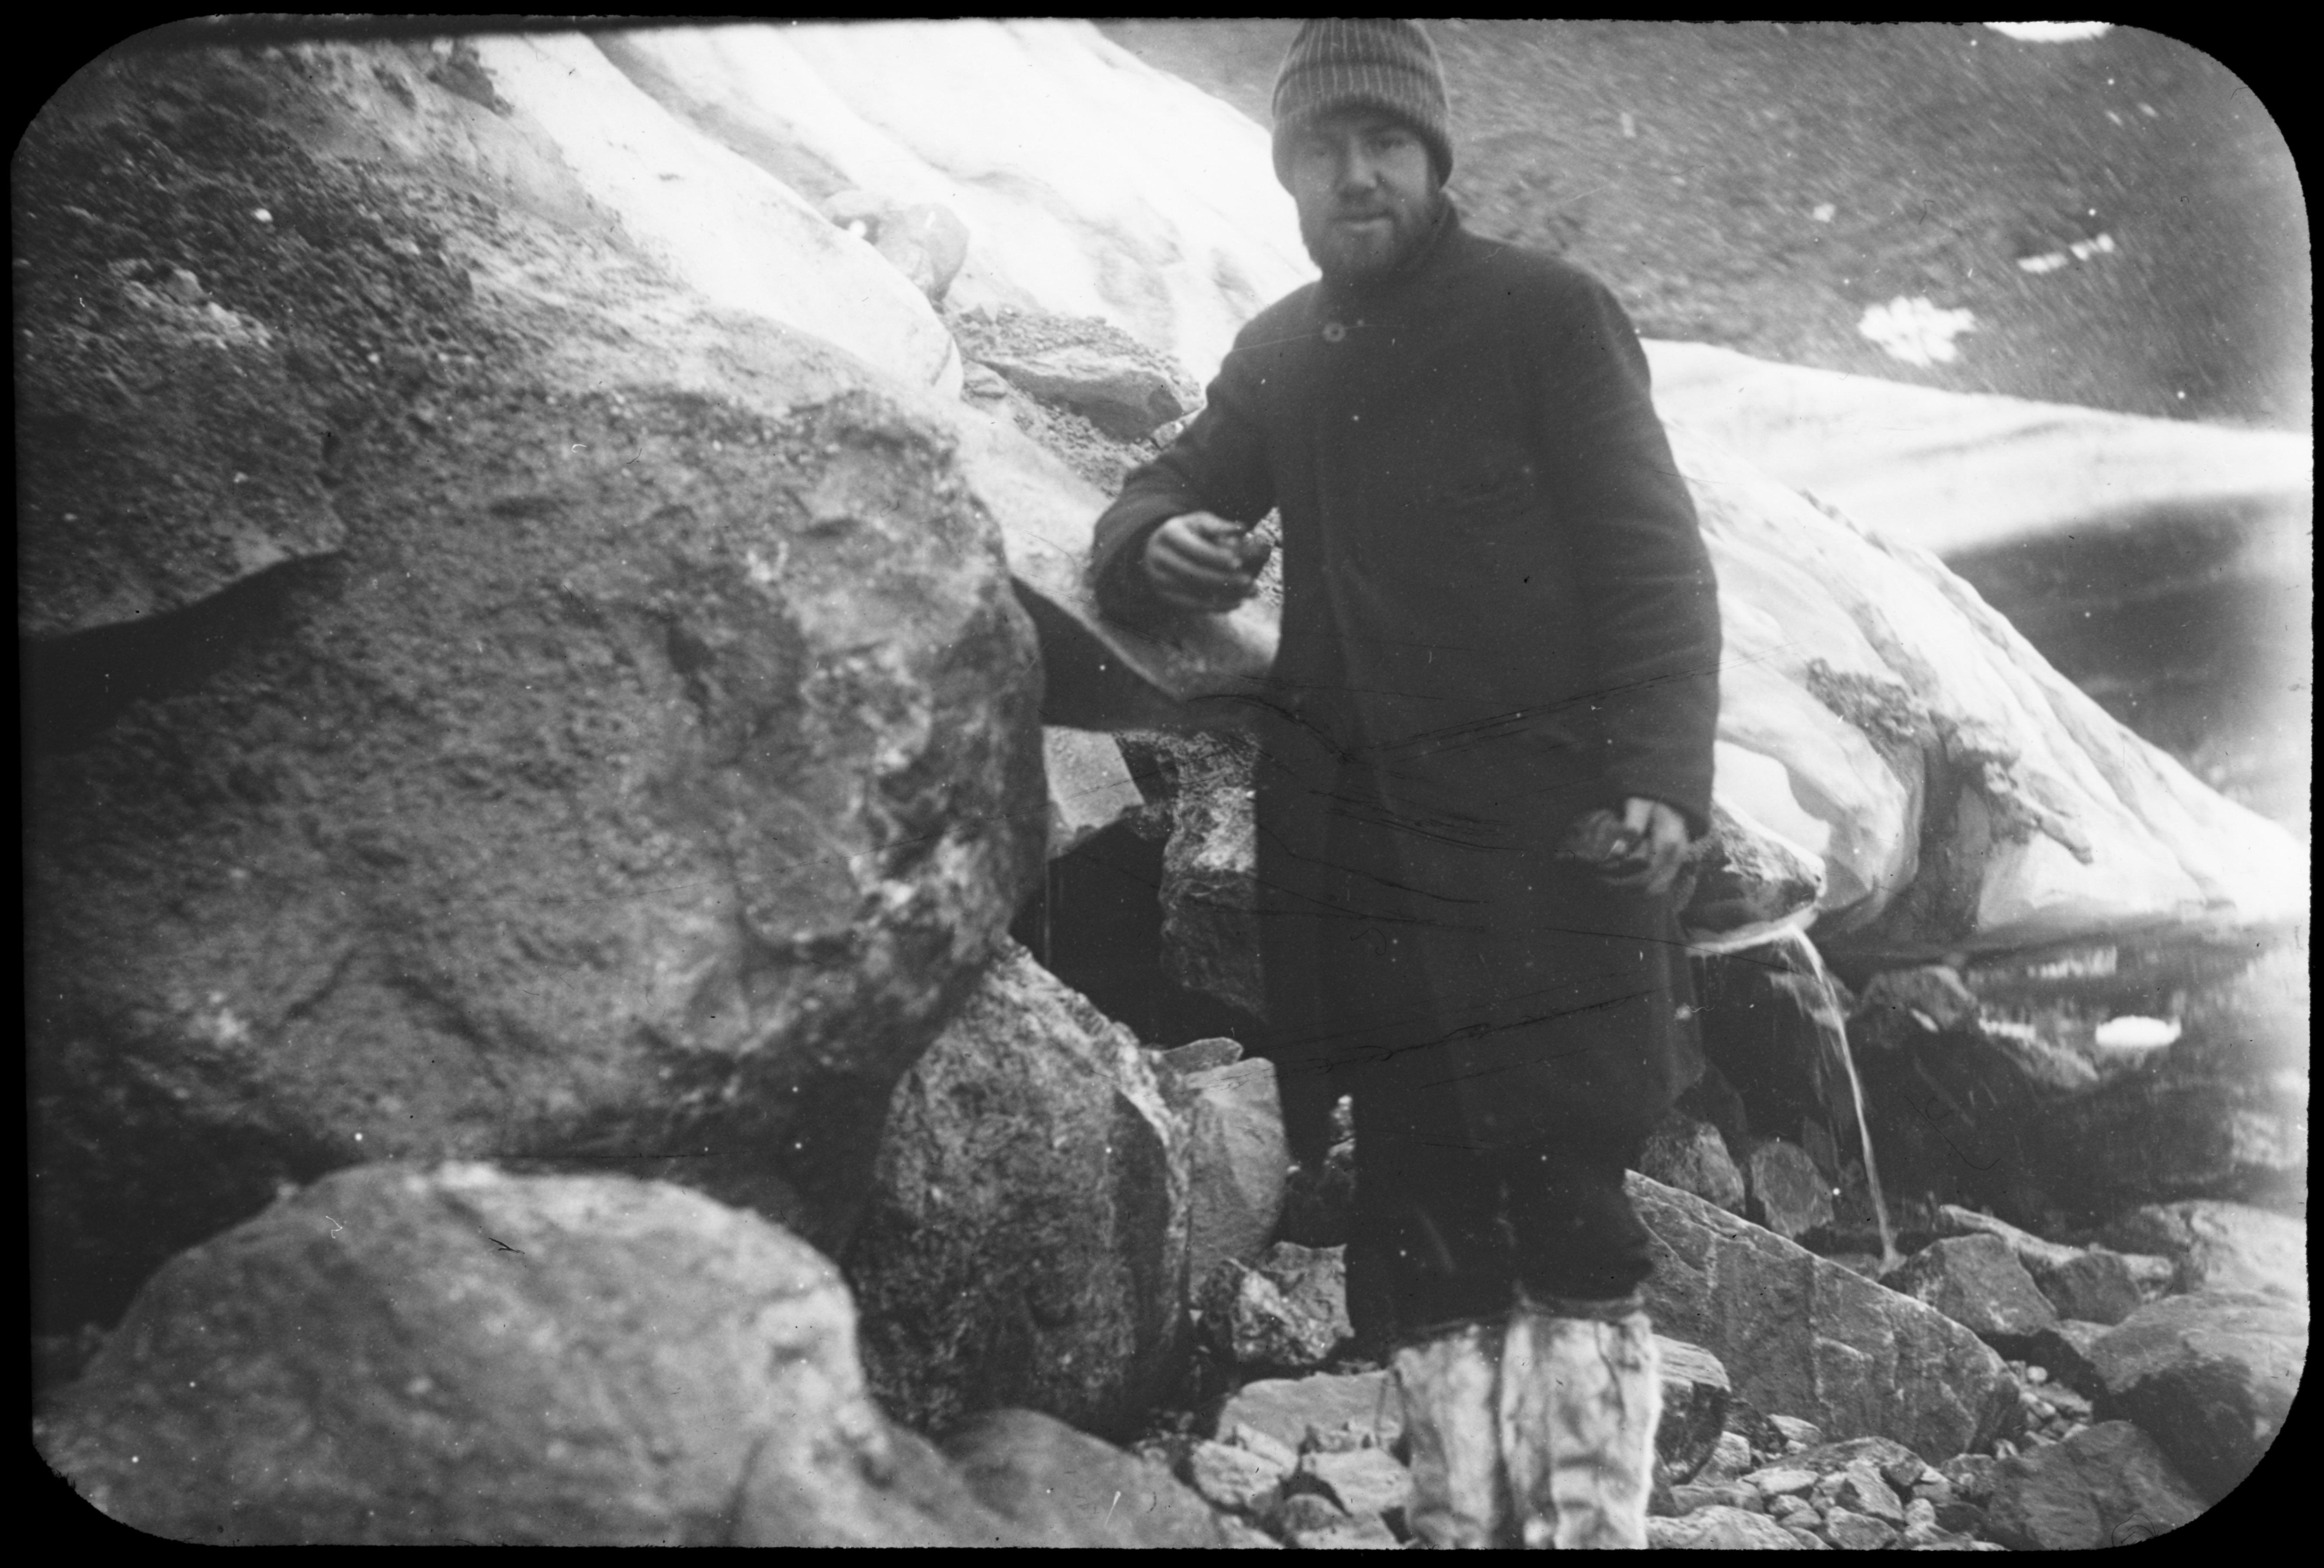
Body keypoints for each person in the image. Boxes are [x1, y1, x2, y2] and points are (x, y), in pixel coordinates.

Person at [1089, 19, 1720, 1550]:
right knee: (1418, 1218)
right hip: (1367, 868)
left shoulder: (1549, 318)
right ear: (1290, 175)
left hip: (1555, 853)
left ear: (1433, 159)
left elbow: (1658, 567)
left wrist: (1658, 779)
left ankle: (1587, 1532)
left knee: (1570, 1203)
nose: (1352, 177)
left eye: (1382, 146)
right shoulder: (1287, 351)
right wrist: (1151, 543)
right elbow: (1169, 489)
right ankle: (1462, 1520)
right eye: (1321, 153)